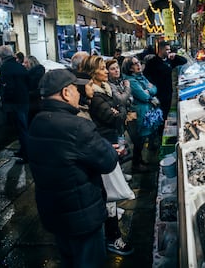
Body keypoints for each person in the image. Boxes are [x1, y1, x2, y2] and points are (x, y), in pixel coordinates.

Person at [27, 69, 119, 267]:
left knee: (69, 260)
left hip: (54, 212)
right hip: (82, 216)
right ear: (65, 93)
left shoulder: (37, 121)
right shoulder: (78, 126)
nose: (80, 93)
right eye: (76, 89)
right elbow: (108, 162)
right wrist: (110, 149)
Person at [80, 56, 135, 256]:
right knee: (108, 192)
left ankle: (111, 231)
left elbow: (118, 110)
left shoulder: (105, 89)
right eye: (103, 69)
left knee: (108, 194)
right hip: (103, 145)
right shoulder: (95, 95)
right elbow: (113, 116)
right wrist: (120, 110)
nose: (106, 72)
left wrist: (119, 110)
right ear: (94, 73)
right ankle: (113, 238)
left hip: (109, 142)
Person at [122, 56, 160, 172]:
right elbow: (144, 96)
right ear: (130, 68)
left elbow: (154, 89)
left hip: (146, 112)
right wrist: (149, 92)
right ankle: (136, 165)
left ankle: (140, 161)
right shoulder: (131, 81)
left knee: (143, 140)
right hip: (140, 115)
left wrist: (150, 90)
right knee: (139, 140)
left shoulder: (141, 77)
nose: (138, 65)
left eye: (138, 62)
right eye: (134, 64)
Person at [143, 41, 187, 132]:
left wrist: (175, 56)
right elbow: (145, 76)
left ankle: (162, 131)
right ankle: (157, 135)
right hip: (157, 94)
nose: (168, 51)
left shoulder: (170, 60)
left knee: (166, 113)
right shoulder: (152, 62)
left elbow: (184, 61)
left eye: (169, 49)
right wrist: (150, 87)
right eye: (167, 49)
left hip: (168, 93)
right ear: (160, 50)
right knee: (158, 115)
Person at [0, 45, 30, 164]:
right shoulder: (19, 66)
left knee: (21, 129)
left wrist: (4, 100)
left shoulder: (5, 67)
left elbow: (6, 87)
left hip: (14, 103)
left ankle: (26, 155)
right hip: (24, 101)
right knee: (23, 128)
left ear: (1, 56)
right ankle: (23, 150)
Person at [23, 55, 45, 124]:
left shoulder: (30, 75)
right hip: (39, 102)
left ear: (31, 63)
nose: (24, 64)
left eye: (26, 63)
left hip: (33, 101)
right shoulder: (40, 72)